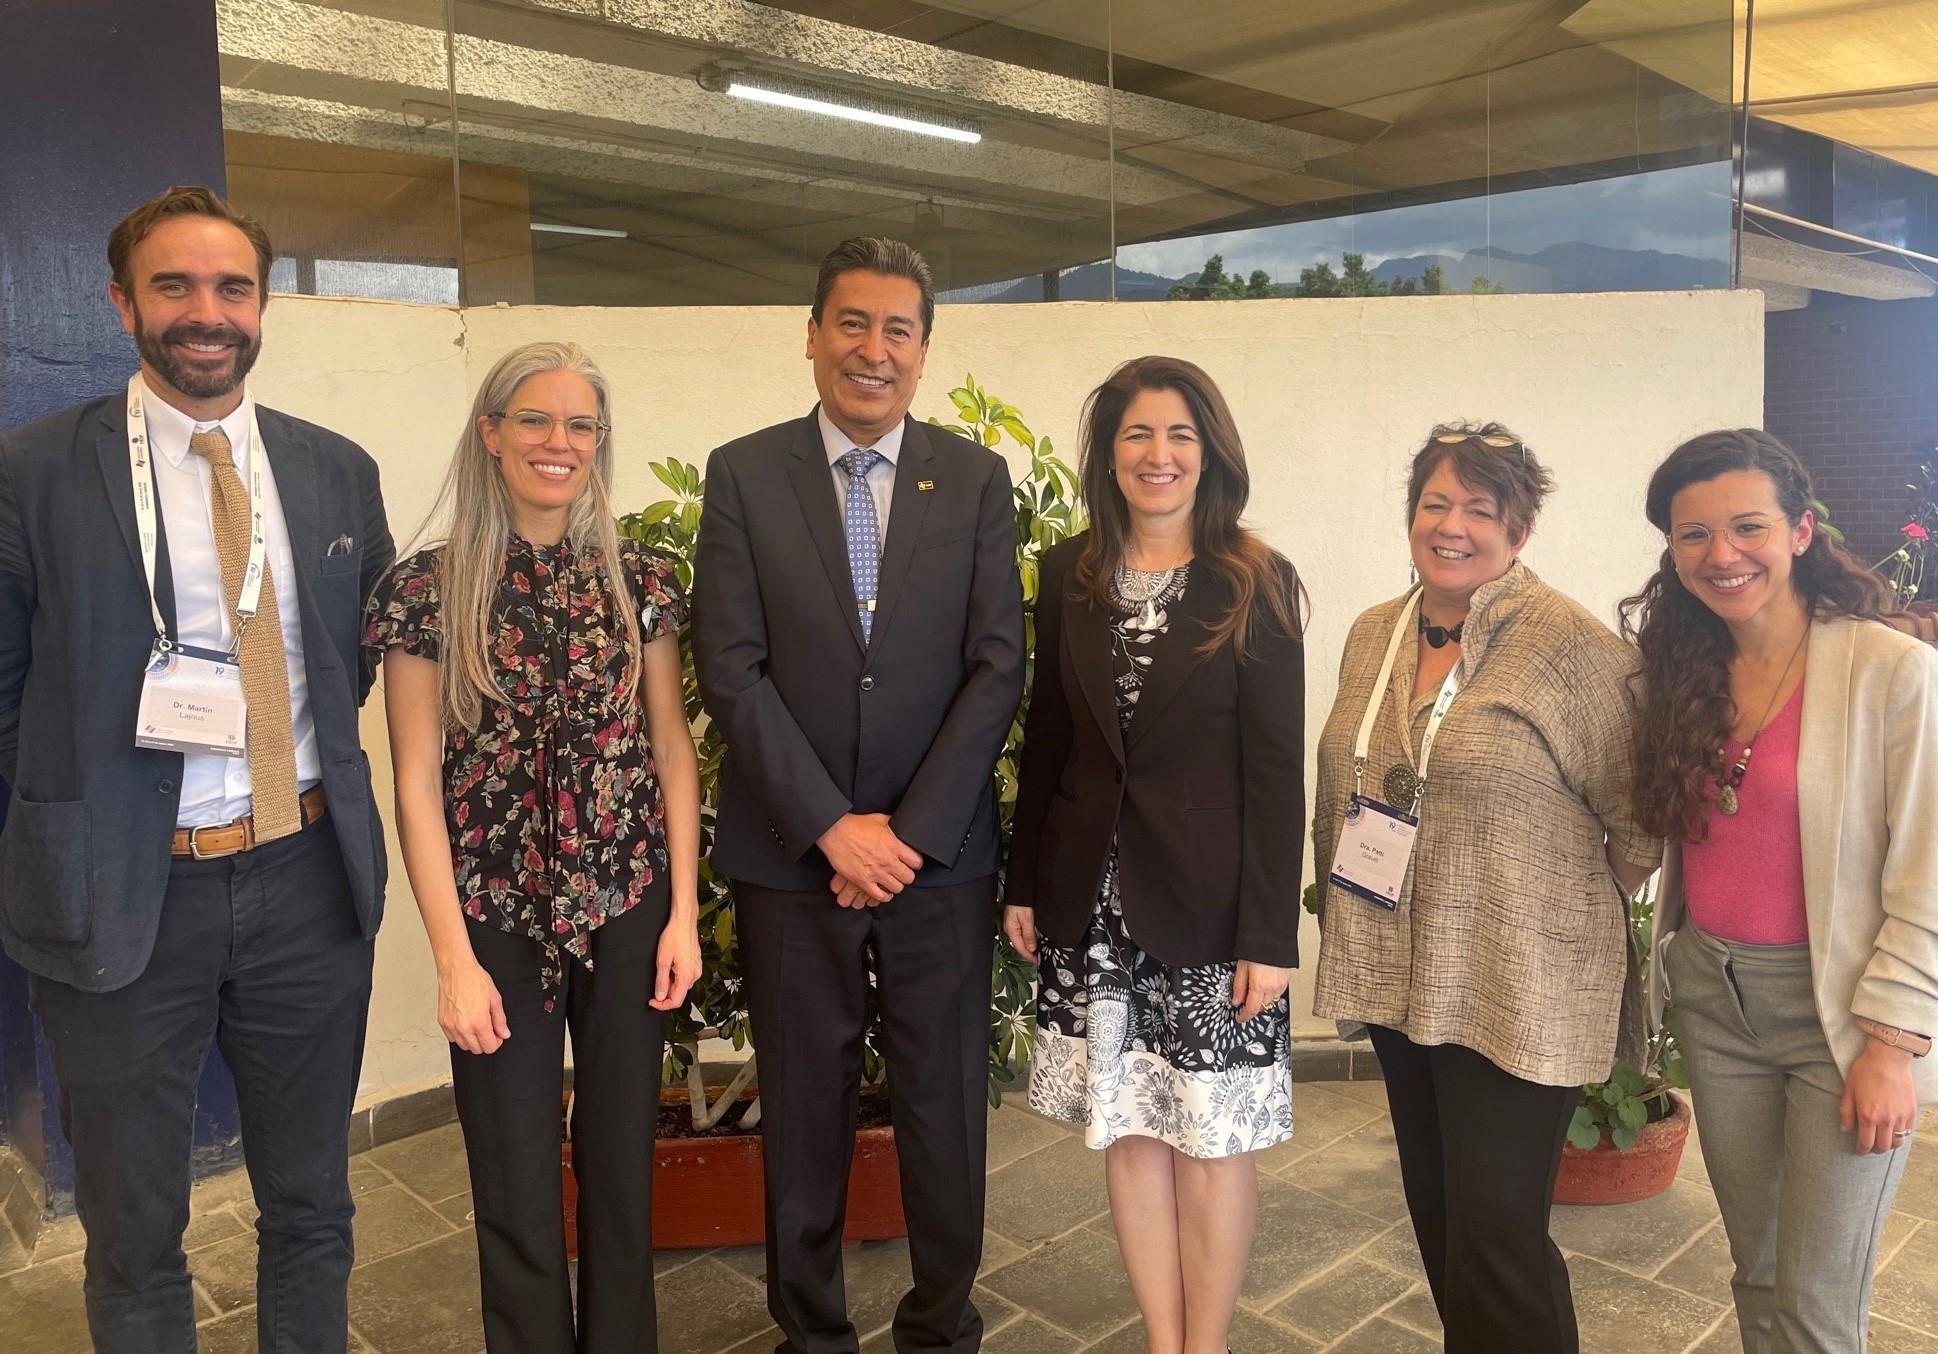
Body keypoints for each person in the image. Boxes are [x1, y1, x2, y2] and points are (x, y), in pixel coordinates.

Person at [0, 185, 394, 1352]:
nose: (205, 312)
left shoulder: (335, 471)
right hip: (122, 897)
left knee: (314, 1204)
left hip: (307, 881)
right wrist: (78, 816)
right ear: (124, 302)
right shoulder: (31, 471)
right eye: (174, 284)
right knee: (133, 1236)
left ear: (263, 305)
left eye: (232, 287)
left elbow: (351, 659)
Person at [693, 237, 1024, 1354]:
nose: (872, 350)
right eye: (852, 323)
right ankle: (812, 1333)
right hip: (794, 854)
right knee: (802, 1102)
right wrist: (832, 825)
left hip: (941, 860)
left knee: (943, 1101)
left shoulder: (976, 480)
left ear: (924, 350)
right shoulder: (742, 474)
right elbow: (728, 667)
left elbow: (996, 668)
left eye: (897, 330)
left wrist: (909, 834)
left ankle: (942, 1324)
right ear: (812, 334)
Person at [367, 340, 701, 1352]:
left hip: (629, 901)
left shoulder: (637, 578)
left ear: (600, 445)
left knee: (619, 1167)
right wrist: (452, 959)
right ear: (492, 434)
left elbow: (673, 751)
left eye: (580, 425)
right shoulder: (426, 591)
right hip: (496, 917)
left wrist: (683, 910)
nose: (559, 442)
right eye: (537, 420)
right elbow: (415, 782)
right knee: (512, 1178)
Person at [1310, 424, 1658, 1354]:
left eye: (1480, 508)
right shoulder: (1376, 630)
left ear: (1521, 528)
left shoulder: (1569, 646)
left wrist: (1559, 909)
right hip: (1401, 974)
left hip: (1516, 981)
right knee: (1442, 1220)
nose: (1452, 525)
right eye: (1435, 503)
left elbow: (1642, 818)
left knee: (1499, 1234)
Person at [1002, 356, 1304, 1354]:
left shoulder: (1254, 582)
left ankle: (1204, 1346)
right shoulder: (1066, 572)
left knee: (1211, 1138)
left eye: (1180, 435)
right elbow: (1049, 737)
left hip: (1213, 914)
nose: (1159, 454)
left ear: (1210, 453)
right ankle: (1162, 1339)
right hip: (1091, 907)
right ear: (1111, 453)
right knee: (1128, 1128)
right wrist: (1025, 884)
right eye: (1138, 434)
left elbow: (1275, 771)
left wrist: (1270, 931)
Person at [1627, 429, 1938, 1353]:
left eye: (1747, 527)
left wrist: (1893, 1043)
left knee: (1816, 1299)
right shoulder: (1683, 672)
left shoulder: (1892, 672)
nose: (1721, 555)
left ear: (1802, 531)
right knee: (1756, 1271)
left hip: (1839, 1013)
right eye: (1693, 535)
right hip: (1716, 1005)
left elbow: (1929, 867)